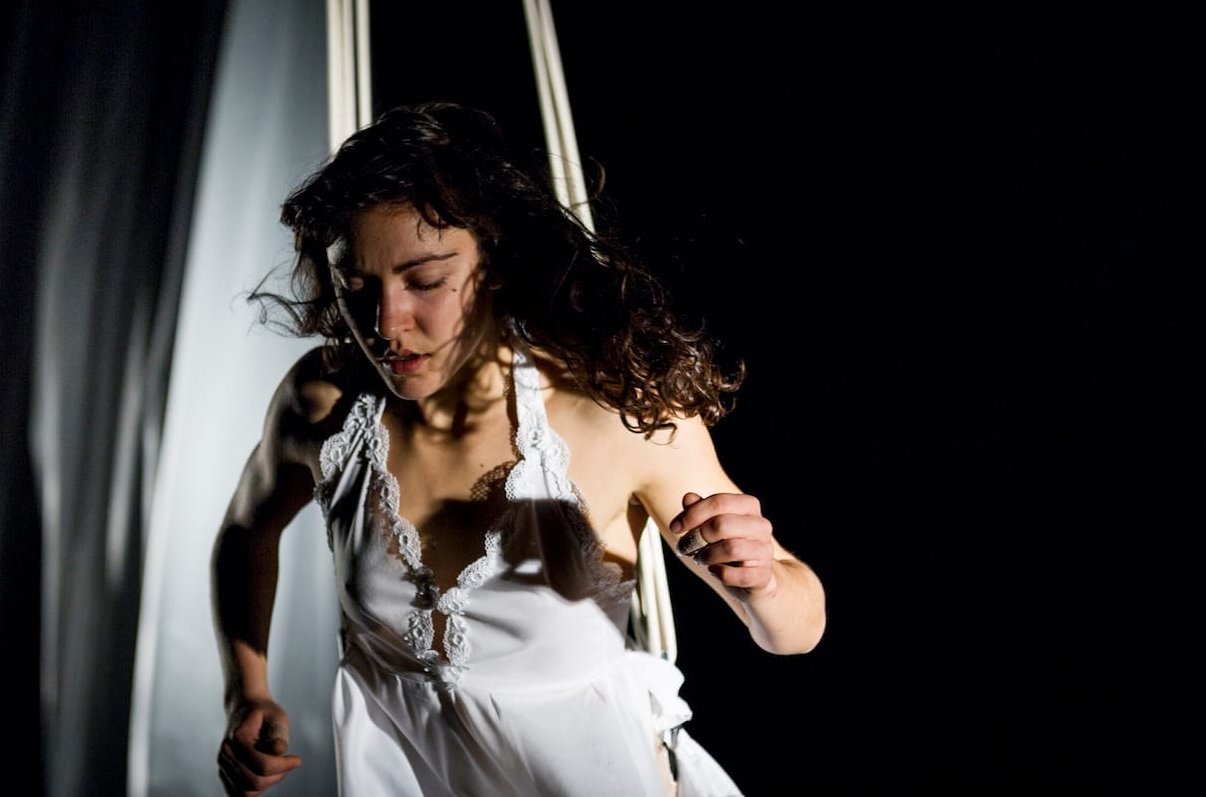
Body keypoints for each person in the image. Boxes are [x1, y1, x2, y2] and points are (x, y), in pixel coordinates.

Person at [211, 101, 826, 797]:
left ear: (495, 262)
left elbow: (793, 632)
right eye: (358, 287)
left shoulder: (610, 413)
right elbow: (244, 530)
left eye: (425, 281)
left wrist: (764, 582)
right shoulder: (322, 405)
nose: (385, 324)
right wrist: (247, 691)